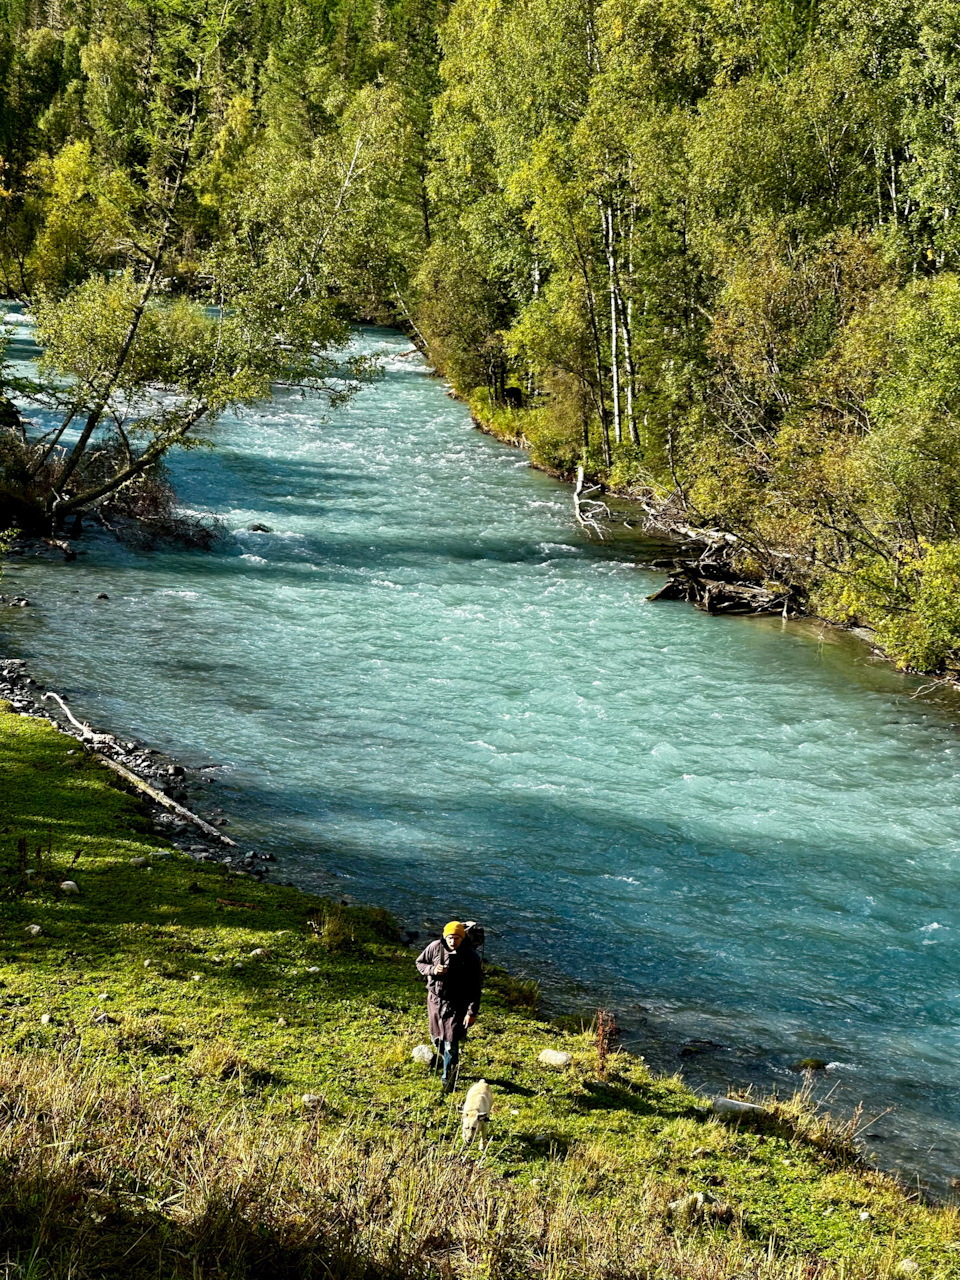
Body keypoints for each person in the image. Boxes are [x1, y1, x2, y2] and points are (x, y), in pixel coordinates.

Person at [415, 920, 482, 1093]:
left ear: (463, 938)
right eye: (451, 937)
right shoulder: (435, 947)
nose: (453, 941)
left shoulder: (471, 957)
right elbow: (420, 963)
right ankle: (448, 1060)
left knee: (450, 1043)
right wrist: (432, 970)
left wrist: (471, 1012)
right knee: (435, 1037)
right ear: (445, 936)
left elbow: (475, 987)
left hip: (457, 1005)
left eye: (457, 938)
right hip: (435, 1003)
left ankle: (448, 1080)